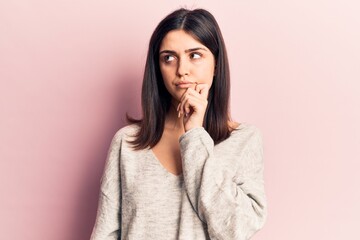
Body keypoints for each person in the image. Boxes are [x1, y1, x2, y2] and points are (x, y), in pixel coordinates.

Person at [90, 8, 267, 240]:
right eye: (169, 58)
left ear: (216, 65)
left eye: (195, 55)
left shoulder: (244, 140)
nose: (182, 70)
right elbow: (105, 233)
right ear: (158, 68)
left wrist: (195, 133)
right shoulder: (128, 143)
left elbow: (236, 230)